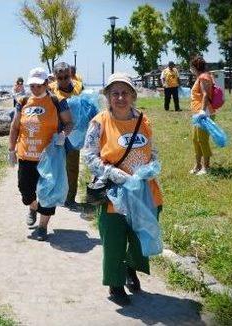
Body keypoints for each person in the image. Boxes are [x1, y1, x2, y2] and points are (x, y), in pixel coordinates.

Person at [83, 72, 164, 306]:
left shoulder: (143, 120)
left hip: (144, 193)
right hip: (113, 195)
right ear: (108, 96)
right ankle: (115, 284)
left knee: (141, 238)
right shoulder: (99, 122)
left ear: (133, 96)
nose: (120, 97)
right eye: (115, 93)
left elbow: (153, 150)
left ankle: (130, 267)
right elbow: (88, 156)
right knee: (115, 240)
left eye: (125, 92)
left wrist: (152, 167)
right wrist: (111, 173)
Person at [8, 67, 73, 241]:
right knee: (25, 190)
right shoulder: (22, 100)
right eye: (32, 85)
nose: (35, 88)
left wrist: (63, 135)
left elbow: (69, 123)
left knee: (48, 193)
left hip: (49, 157)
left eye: (38, 85)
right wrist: (11, 150)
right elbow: (15, 127)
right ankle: (33, 207)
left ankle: (43, 227)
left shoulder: (57, 101)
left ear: (46, 83)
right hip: (26, 155)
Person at [49, 62, 83, 209]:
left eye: (66, 77)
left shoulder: (78, 88)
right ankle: (54, 195)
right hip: (56, 132)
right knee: (54, 165)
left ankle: (70, 198)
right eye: (60, 78)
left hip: (74, 133)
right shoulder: (50, 90)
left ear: (71, 75)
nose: (63, 80)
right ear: (55, 77)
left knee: (72, 167)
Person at [189, 55, 215, 175]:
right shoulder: (200, 77)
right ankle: (198, 165)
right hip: (197, 113)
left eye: (191, 67)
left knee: (202, 140)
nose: (191, 69)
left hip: (204, 113)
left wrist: (202, 111)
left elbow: (205, 94)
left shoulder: (204, 77)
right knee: (195, 139)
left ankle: (206, 167)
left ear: (195, 67)